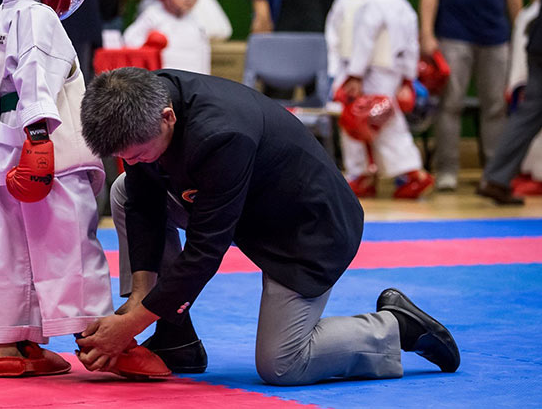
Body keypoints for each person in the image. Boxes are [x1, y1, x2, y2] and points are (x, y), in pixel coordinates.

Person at [76, 67, 460, 384]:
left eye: (140, 153)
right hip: (248, 207)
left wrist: (130, 326)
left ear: (168, 117)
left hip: (308, 228)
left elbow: (204, 251)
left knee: (283, 364)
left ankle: (396, 326)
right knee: (126, 189)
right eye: (126, 156)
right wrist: (141, 302)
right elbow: (145, 196)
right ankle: (176, 339)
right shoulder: (141, 103)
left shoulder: (221, 135)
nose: (135, 160)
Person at [0, 0, 168, 379]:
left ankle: (12, 347)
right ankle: (104, 344)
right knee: (72, 251)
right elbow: (37, 78)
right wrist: (38, 139)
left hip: (4, 160)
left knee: (11, 253)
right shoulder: (41, 20)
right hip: (51, 156)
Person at [419, 0, 522, 191]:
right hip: (453, 34)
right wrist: (426, 32)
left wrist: (520, 32)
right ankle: (448, 169)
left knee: (495, 106)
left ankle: (495, 172)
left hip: (496, 36)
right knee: (450, 104)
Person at [334, 0, 435, 199]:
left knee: (358, 119)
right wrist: (407, 80)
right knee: (387, 122)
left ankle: (367, 174)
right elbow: (412, 48)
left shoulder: (374, 4)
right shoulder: (407, 9)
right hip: (395, 75)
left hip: (371, 73)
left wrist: (354, 75)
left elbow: (364, 41)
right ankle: (390, 174)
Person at [478, 0, 542, 205]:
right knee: (528, 115)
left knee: (528, 116)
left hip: (538, 44)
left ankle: (496, 177)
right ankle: (496, 177)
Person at [123, 0, 210, 74]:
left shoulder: (196, 20)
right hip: (162, 84)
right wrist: (147, 46)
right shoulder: (153, 16)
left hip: (193, 84)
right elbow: (128, 42)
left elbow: (204, 57)